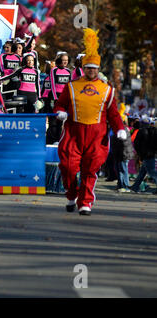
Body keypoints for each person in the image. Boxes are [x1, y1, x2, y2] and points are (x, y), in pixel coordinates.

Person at [54, 28, 126, 215]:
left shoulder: (107, 89)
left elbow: (113, 113)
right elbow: (60, 104)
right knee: (68, 167)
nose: (91, 71)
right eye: (88, 68)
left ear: (98, 69)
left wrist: (119, 128)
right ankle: (71, 194)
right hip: (73, 132)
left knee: (90, 169)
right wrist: (60, 112)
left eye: (94, 68)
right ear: (83, 68)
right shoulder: (71, 86)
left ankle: (85, 202)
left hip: (97, 134)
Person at [47, 52, 72, 144]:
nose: (65, 62)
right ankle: (50, 140)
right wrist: (55, 98)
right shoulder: (54, 70)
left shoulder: (69, 71)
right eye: (63, 60)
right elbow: (52, 85)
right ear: (59, 60)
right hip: (55, 97)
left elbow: (70, 86)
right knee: (53, 119)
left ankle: (58, 140)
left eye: (66, 60)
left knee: (61, 120)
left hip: (65, 98)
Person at [130, 117, 157, 194]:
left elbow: (136, 144)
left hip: (145, 154)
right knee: (142, 172)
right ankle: (135, 187)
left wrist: (139, 153)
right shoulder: (154, 131)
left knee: (152, 172)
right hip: (151, 153)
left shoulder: (141, 131)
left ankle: (135, 187)